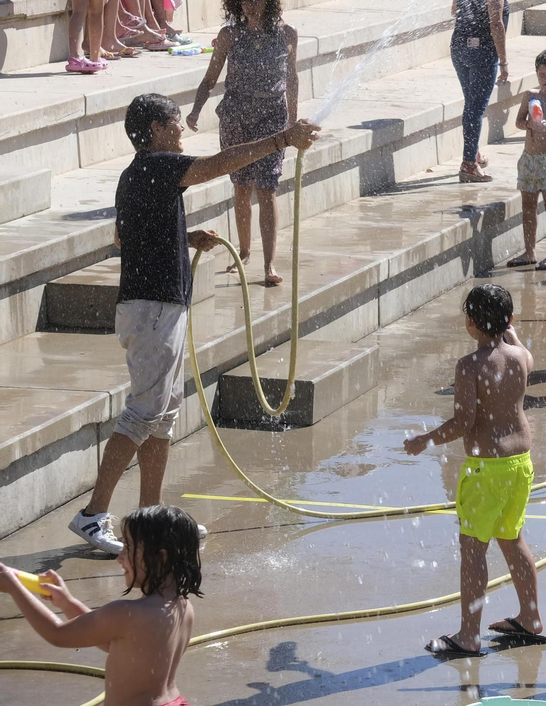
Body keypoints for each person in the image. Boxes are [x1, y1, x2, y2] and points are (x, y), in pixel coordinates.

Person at [68, 94, 318, 554]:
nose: (182, 131)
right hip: (152, 309)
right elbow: (219, 164)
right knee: (144, 413)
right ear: (157, 130)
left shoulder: (134, 174)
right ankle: (92, 515)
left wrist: (183, 236)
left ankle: (152, 517)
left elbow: (126, 234)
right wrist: (282, 138)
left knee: (162, 417)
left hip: (155, 307)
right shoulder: (157, 164)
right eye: (176, 124)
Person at [403, 284, 546, 658]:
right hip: (520, 465)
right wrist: (508, 333)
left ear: (469, 322)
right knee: (513, 540)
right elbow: (517, 347)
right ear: (509, 321)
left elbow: (464, 422)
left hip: (487, 471)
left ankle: (469, 635)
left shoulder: (469, 366)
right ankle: (531, 619)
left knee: (473, 552)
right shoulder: (521, 358)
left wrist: (427, 440)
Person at [5, 505, 203, 706]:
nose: (119, 558)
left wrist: (14, 587)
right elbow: (113, 643)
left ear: (160, 557)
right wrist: (67, 602)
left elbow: (57, 634)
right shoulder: (184, 608)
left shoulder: (127, 613)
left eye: (128, 548)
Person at [186, 0, 300, 286]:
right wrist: (196, 109)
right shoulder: (229, 36)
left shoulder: (287, 34)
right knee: (242, 186)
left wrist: (293, 123)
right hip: (237, 117)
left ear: (269, 0)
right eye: (245, 0)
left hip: (272, 119)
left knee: (267, 188)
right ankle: (245, 250)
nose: (250, 5)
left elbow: (291, 79)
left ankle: (269, 264)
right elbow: (210, 79)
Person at [450, 0, 511, 184]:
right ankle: (468, 164)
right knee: (475, 108)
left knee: (471, 105)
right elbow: (496, 24)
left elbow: (454, 10)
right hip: (483, 52)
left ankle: (473, 152)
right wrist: (504, 61)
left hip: (459, 47)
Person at [505, 50, 546, 271]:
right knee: (528, 207)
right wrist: (529, 125)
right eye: (541, 74)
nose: (545, 79)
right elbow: (518, 122)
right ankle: (530, 251)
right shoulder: (530, 96)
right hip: (529, 159)